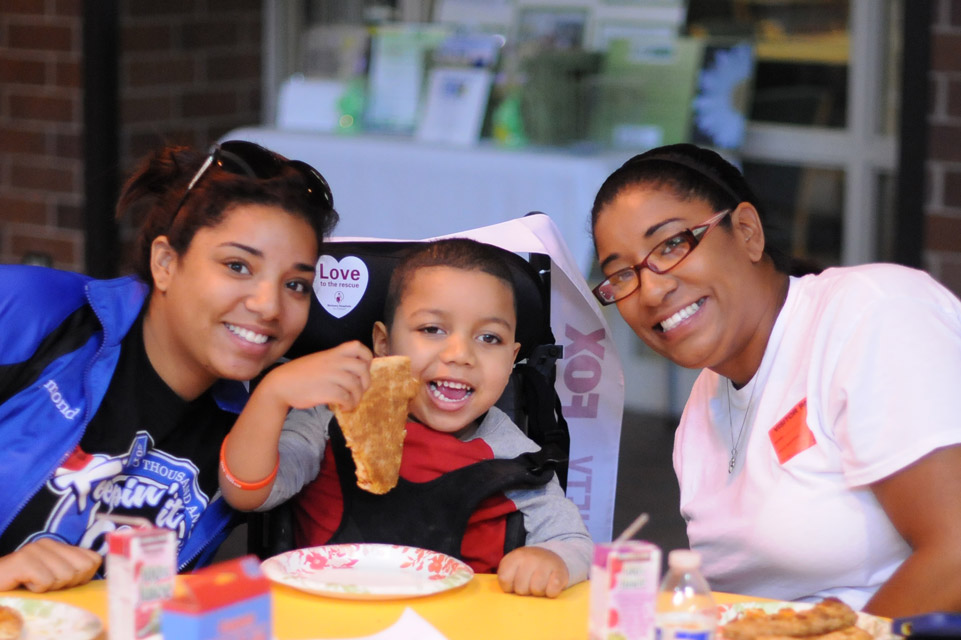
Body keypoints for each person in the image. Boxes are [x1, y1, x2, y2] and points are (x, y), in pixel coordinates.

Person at [589, 143, 961, 617]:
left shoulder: (871, 312)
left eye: (671, 245)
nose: (653, 289)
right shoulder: (701, 413)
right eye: (622, 275)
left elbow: (955, 557)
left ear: (746, 232)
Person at [0, 140, 352, 593]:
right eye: (238, 265)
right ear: (165, 263)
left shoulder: (267, 412)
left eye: (297, 284)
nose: (269, 306)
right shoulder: (31, 311)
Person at [220, 238, 592, 598]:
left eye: (489, 338)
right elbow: (246, 493)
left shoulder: (517, 458)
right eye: (432, 329)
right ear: (383, 344)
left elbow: (575, 543)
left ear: (512, 359)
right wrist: (271, 396)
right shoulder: (332, 418)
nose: (460, 354)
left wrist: (551, 559)